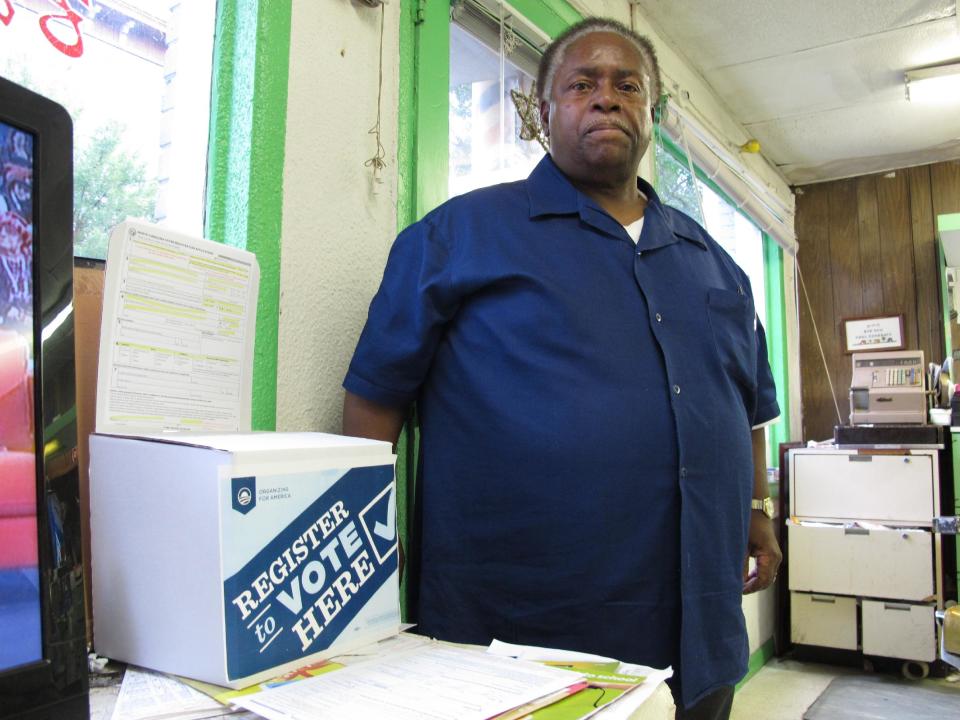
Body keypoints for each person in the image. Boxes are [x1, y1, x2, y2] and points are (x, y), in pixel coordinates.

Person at [342, 17, 781, 720]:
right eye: (582, 84)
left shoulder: (715, 264)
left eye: (626, 85)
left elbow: (749, 403)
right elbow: (374, 399)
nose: (605, 98)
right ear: (543, 113)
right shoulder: (458, 237)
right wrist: (358, 560)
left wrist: (756, 510)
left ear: (652, 114)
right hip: (526, 631)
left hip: (698, 620)